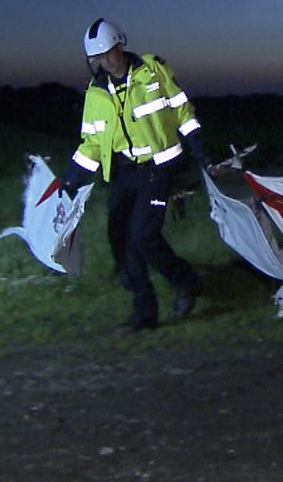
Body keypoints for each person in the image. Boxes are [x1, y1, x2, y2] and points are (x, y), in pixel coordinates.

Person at [60, 18, 213, 332]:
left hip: (159, 168)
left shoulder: (153, 71)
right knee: (121, 240)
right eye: (96, 58)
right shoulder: (95, 94)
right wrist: (69, 183)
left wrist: (201, 154)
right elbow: (90, 144)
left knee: (144, 235)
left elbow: (183, 112)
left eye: (107, 54)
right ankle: (144, 313)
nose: (104, 62)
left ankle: (186, 281)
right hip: (123, 173)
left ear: (120, 45)